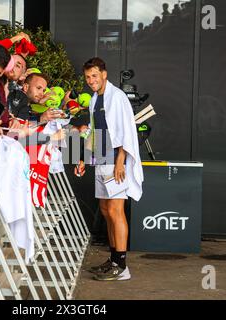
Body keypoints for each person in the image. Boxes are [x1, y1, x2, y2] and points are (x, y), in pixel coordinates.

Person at [75, 57, 143, 281]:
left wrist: (120, 161)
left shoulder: (118, 97)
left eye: (94, 75)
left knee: (116, 211)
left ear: (104, 74)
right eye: (87, 77)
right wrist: (85, 157)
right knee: (105, 210)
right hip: (101, 156)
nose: (91, 80)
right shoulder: (95, 99)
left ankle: (122, 267)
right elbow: (95, 132)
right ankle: (114, 259)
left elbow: (126, 131)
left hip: (115, 159)